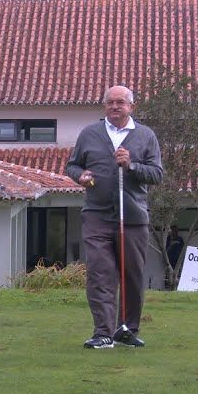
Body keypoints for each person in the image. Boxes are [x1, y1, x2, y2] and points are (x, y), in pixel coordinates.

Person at [65, 85, 163, 349]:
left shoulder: (145, 136)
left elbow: (157, 174)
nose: (115, 107)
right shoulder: (90, 134)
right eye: (110, 102)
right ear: (105, 106)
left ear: (131, 106)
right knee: (100, 272)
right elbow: (72, 165)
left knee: (131, 274)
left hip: (132, 216)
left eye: (120, 102)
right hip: (97, 215)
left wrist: (131, 165)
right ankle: (103, 332)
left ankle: (126, 329)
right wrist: (80, 176)